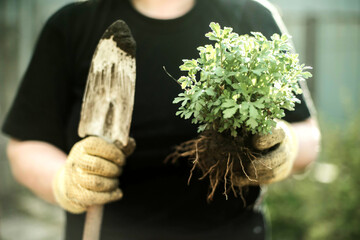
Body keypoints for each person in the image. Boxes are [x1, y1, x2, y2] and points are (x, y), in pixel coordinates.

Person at [2, 0, 321, 239]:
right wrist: (64, 181)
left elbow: (309, 137)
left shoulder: (250, 15)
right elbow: (26, 145)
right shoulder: (74, 24)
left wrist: (285, 148)